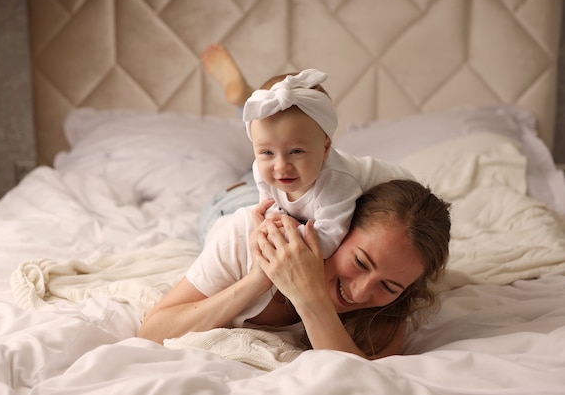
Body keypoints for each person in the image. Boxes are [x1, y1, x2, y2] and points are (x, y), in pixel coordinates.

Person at [139, 178, 451, 359]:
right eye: (359, 262)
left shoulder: (390, 307)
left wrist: (309, 297)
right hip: (235, 200)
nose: (359, 292)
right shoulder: (242, 234)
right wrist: (257, 280)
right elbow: (153, 332)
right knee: (277, 159)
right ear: (338, 231)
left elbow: (356, 380)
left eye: (389, 285)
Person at [200, 44, 413, 259]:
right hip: (233, 198)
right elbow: (270, 210)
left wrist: (285, 232)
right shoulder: (262, 169)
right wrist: (278, 221)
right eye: (266, 153)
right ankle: (245, 103)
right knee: (268, 140)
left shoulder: (336, 184)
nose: (282, 166)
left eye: (296, 151)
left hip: (406, 197)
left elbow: (325, 241)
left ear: (326, 147)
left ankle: (246, 102)